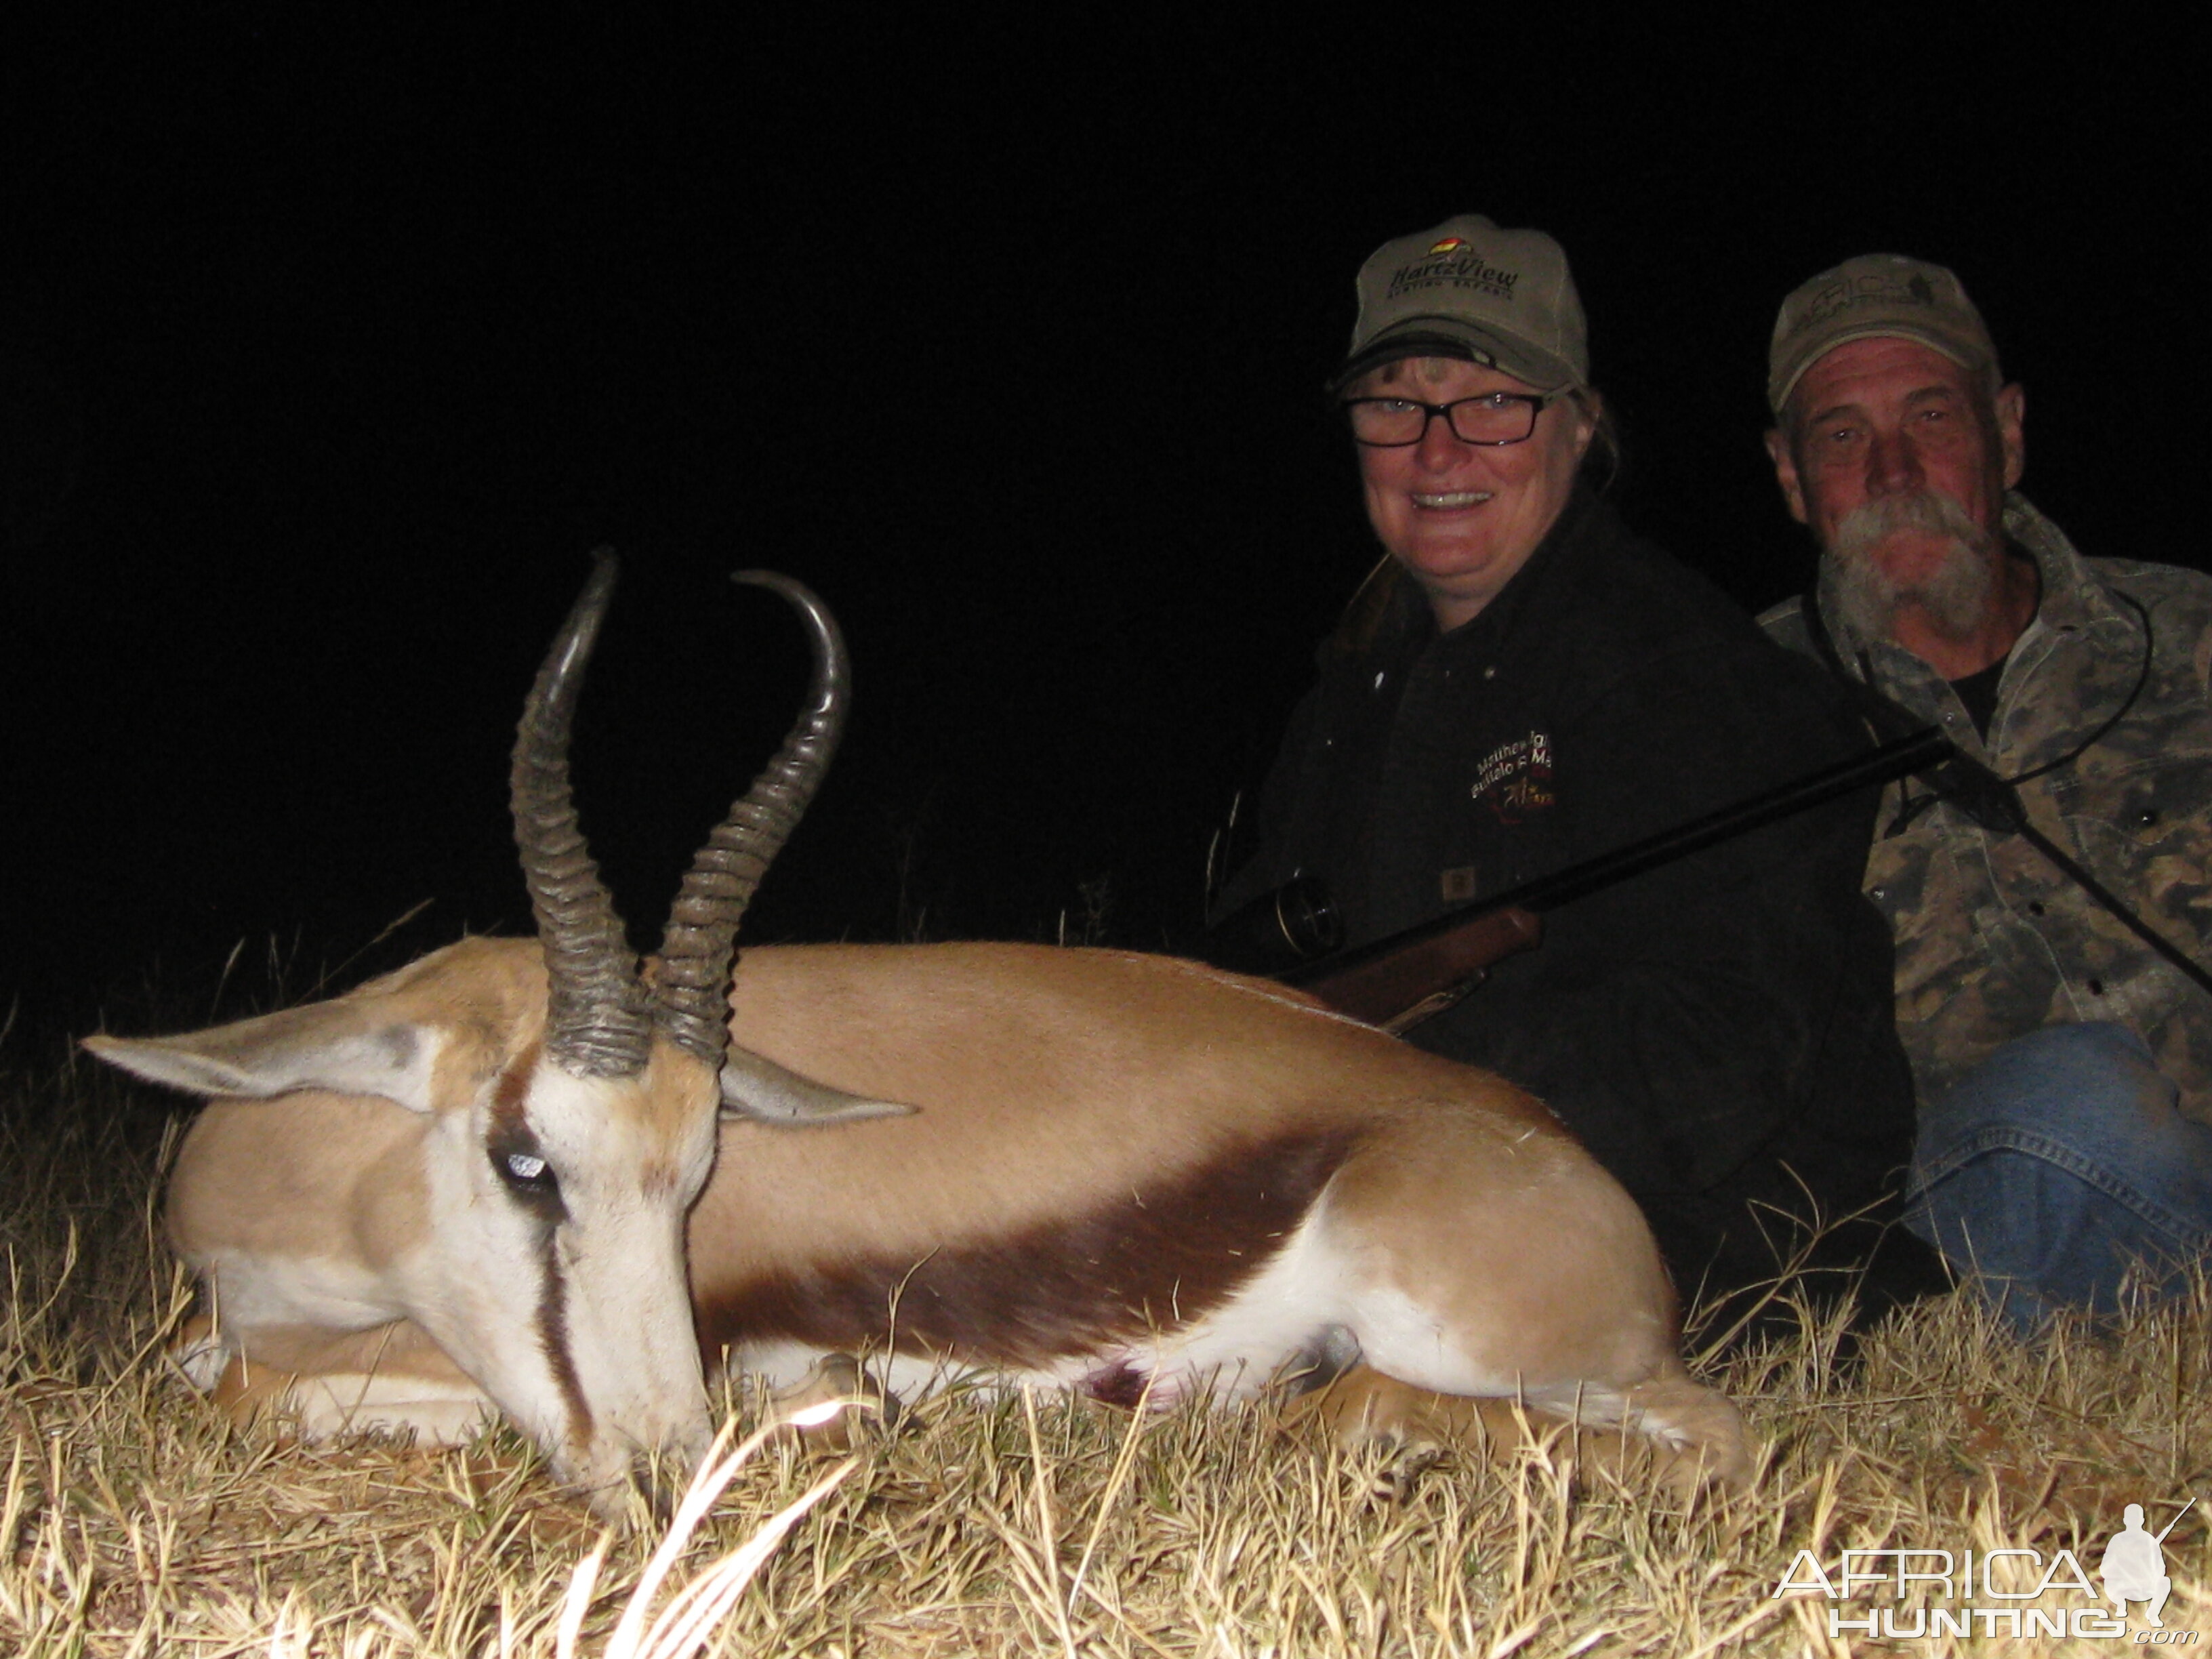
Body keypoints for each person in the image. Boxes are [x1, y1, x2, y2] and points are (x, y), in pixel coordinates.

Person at [1209, 215, 1929, 1322]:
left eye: (1495, 403)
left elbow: (1722, 1054)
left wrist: (1394, 1094)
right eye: (1394, 403)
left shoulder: (1691, 674)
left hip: (1709, 1254)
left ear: (1581, 428)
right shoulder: (1348, 700)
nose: (1437, 451)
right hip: (1428, 1200)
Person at [1759, 253, 2212, 1330]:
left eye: (1931, 416)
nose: (1893, 468)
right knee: (2080, 1103)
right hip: (1968, 1221)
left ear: (2006, 432)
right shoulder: (1735, 717)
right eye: (1841, 436)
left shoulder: (2191, 636)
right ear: (1789, 478)